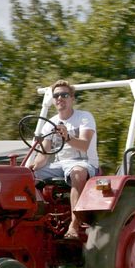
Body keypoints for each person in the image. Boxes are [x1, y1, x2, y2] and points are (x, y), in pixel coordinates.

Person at [27, 79, 99, 238]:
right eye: (56, 95)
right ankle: (33, 222)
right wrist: (32, 167)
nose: (60, 98)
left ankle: (74, 225)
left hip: (84, 163)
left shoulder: (84, 117)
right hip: (60, 165)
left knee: (77, 173)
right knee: (24, 176)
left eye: (64, 94)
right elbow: (43, 156)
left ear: (72, 98)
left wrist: (67, 137)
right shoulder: (50, 123)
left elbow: (84, 145)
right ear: (53, 100)